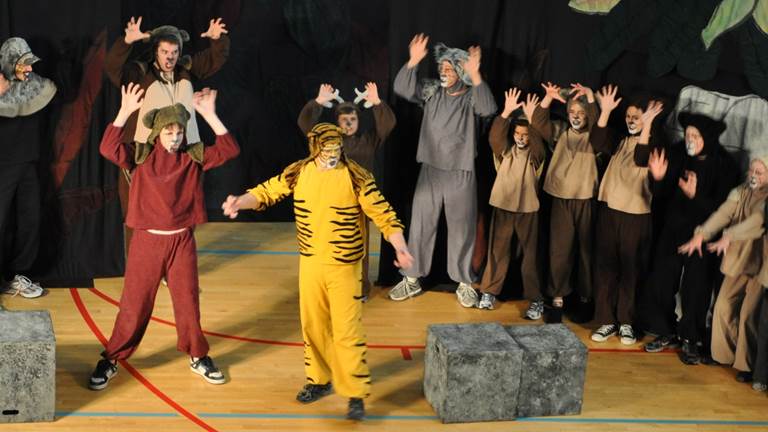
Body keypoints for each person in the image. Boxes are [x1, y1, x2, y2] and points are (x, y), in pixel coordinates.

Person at [221, 123, 413, 421]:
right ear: (315, 149)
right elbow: (267, 191)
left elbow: (383, 214)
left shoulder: (356, 177)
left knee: (347, 331)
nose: (333, 155)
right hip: (310, 264)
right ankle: (319, 380)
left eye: (337, 149)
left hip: (345, 267)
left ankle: (354, 392)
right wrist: (239, 202)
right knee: (313, 325)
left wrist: (400, 247)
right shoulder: (299, 172)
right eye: (327, 150)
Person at [88, 83, 240, 391]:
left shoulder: (192, 158)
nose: (175, 137)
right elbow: (107, 148)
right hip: (148, 242)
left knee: (187, 303)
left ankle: (198, 355)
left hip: (181, 241)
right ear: (158, 133)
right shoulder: (142, 157)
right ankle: (112, 357)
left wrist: (210, 115)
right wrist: (124, 112)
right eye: (169, 132)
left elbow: (229, 149)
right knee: (134, 305)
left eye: (179, 132)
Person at [390, 33, 497, 307]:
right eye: (442, 68)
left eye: (450, 69)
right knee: (421, 226)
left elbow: (488, 108)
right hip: (431, 170)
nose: (444, 73)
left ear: (461, 71)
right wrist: (413, 61)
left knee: (462, 229)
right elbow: (402, 89)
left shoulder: (472, 96)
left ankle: (463, 281)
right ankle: (412, 278)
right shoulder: (431, 92)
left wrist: (475, 74)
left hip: (461, 172)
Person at [639, 112, 738, 363]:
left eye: (696, 135)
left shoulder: (725, 166)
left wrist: (696, 196)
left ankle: (691, 338)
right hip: (672, 230)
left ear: (708, 138)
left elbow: (724, 211)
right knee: (662, 280)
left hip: (702, 236)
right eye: (688, 134)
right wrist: (658, 179)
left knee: (696, 287)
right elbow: (661, 195)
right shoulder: (677, 154)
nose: (689, 140)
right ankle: (665, 331)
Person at [297, 82, 396, 299]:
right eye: (344, 120)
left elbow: (387, 125)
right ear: (337, 123)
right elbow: (305, 124)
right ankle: (330, 288)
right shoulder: (326, 141)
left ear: (359, 121)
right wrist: (318, 103)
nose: (349, 124)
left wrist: (378, 103)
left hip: (359, 205)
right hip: (330, 202)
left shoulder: (369, 140)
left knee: (359, 250)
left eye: (353, 120)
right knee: (329, 248)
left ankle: (359, 288)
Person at [679, 155, 768, 382]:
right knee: (723, 306)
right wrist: (702, 233)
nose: (754, 175)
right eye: (752, 170)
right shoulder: (741, 191)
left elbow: (758, 222)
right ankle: (723, 355)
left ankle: (746, 366)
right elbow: (723, 214)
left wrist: (730, 235)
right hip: (740, 258)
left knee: (749, 314)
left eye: (760, 172)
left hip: (762, 263)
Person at [588, 85, 664, 344]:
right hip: (610, 211)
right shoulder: (620, 140)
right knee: (606, 268)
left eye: (637, 117)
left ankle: (627, 322)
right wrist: (606, 111)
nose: (631, 121)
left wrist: (648, 125)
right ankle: (607, 321)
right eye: (629, 116)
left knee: (630, 271)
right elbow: (596, 141)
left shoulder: (654, 144)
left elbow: (643, 158)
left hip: (635, 215)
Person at [529, 81, 599, 321]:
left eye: (581, 113)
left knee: (586, 251)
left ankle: (585, 298)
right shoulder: (559, 132)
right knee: (560, 251)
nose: (576, 117)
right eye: (572, 113)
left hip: (585, 200)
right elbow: (538, 124)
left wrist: (589, 95)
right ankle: (557, 297)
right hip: (560, 199)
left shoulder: (595, 135)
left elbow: (596, 118)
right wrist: (547, 99)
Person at [476, 89, 545, 313]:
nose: (521, 138)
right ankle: (489, 291)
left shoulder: (535, 156)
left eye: (525, 134)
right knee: (498, 251)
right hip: (504, 206)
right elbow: (495, 138)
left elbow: (538, 145)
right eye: (518, 134)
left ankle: (535, 299)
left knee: (530, 257)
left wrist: (532, 119)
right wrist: (505, 113)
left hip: (528, 209)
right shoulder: (506, 152)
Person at [0, 37, 56, 299]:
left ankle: (17, 276)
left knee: (30, 220)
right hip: (3, 164)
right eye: (23, 64)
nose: (29, 69)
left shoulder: (34, 85)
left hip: (29, 162)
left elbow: (54, 90)